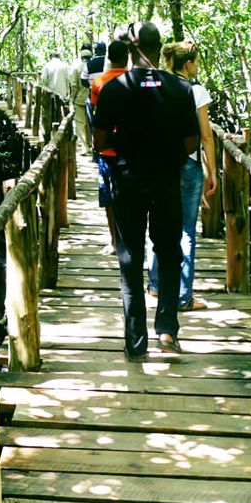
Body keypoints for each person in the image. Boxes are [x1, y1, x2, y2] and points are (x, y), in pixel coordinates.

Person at [92, 22, 200, 361]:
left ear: (131, 47)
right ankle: (167, 331)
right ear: (159, 47)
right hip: (167, 180)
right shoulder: (180, 89)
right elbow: (191, 142)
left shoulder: (114, 89)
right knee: (169, 253)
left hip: (128, 182)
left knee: (130, 258)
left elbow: (100, 142)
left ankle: (135, 343)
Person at [149, 41, 218, 311]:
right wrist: (212, 171)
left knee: (158, 223)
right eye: (197, 62)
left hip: (160, 164)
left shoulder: (157, 84)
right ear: (188, 64)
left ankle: (155, 285)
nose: (198, 66)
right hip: (187, 165)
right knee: (186, 231)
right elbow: (206, 135)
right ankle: (182, 296)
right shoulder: (196, 91)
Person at [89, 38, 131, 254]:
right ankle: (130, 241)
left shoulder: (99, 83)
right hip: (132, 150)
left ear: (109, 58)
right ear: (127, 57)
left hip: (106, 150)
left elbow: (96, 113)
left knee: (109, 197)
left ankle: (115, 241)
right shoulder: (134, 81)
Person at [71, 44, 94, 153]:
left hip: (79, 100)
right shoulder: (93, 65)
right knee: (90, 123)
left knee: (80, 124)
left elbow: (74, 85)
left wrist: (72, 98)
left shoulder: (76, 67)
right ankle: (90, 144)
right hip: (92, 99)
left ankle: (83, 147)